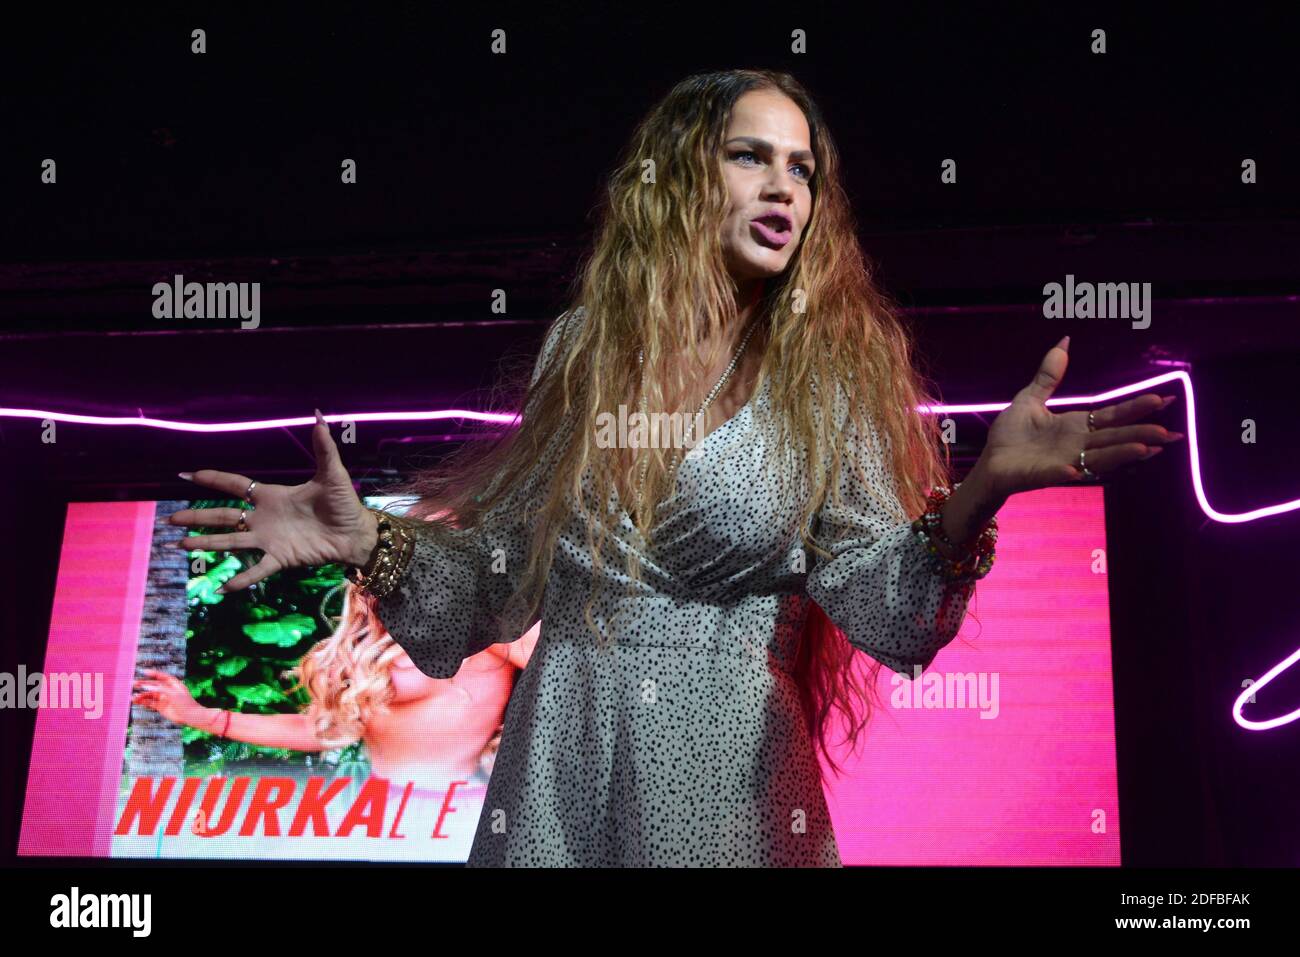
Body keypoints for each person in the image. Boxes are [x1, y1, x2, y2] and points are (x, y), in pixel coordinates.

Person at [166, 69, 1184, 866]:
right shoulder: (581, 349)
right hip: (559, 761)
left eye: (802, 168)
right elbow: (494, 585)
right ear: (685, 178)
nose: (785, 185)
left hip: (725, 774)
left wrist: (976, 495)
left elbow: (890, 610)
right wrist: (368, 543)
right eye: (754, 157)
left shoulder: (825, 379)